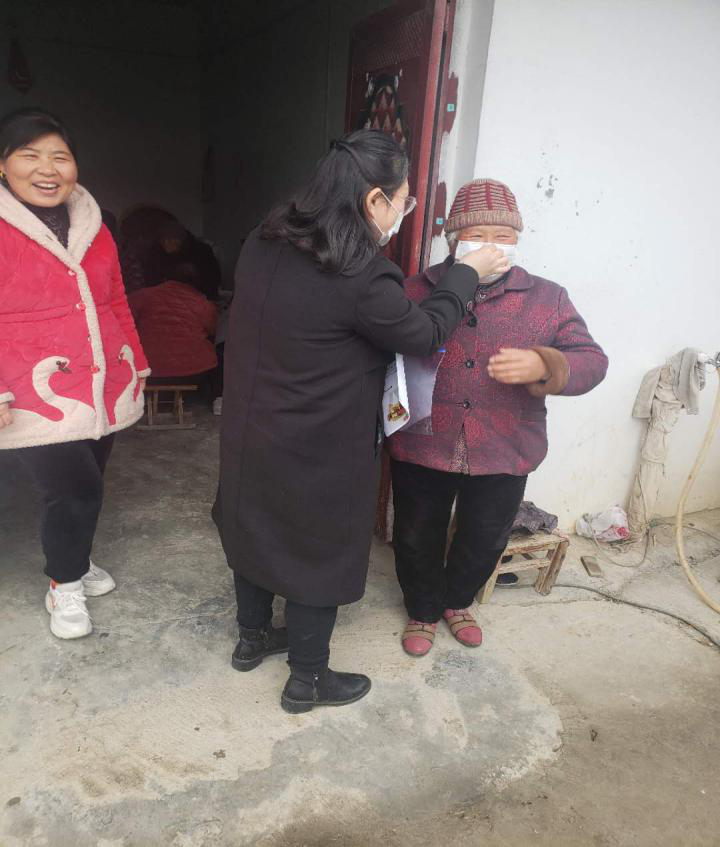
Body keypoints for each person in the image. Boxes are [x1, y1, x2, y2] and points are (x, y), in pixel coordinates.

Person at [212, 131, 510, 713]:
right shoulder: (361, 274)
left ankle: (252, 639)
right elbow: (424, 333)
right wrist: (465, 273)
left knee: (256, 528)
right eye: (403, 201)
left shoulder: (263, 240)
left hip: (253, 426)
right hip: (320, 438)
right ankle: (307, 680)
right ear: (375, 199)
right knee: (315, 551)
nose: (403, 212)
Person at [387, 179, 609, 656]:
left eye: (504, 236)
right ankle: (423, 608)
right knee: (415, 533)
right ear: (454, 240)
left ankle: (458, 602)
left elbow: (592, 360)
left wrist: (546, 364)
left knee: (485, 536)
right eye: (478, 234)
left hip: (506, 445)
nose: (492, 245)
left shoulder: (547, 298)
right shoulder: (413, 290)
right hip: (423, 440)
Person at [0, 108, 150, 639]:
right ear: (3, 165)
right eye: (30, 155)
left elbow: (115, 300)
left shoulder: (95, 223)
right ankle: (64, 584)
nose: (48, 169)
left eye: (60, 157)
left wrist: (136, 361)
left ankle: (77, 559)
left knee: (89, 480)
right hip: (29, 390)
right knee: (74, 490)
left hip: (101, 381)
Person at [128, 273, 218, 390]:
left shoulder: (143, 296)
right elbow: (213, 329)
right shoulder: (202, 303)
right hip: (194, 371)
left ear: (165, 279)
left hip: (148, 370)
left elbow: (123, 321)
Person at [143, 219, 221, 301]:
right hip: (164, 297)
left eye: (171, 239)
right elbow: (151, 280)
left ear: (180, 240)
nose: (166, 243)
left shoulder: (201, 251)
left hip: (197, 297)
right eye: (163, 240)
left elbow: (213, 281)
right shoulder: (155, 253)